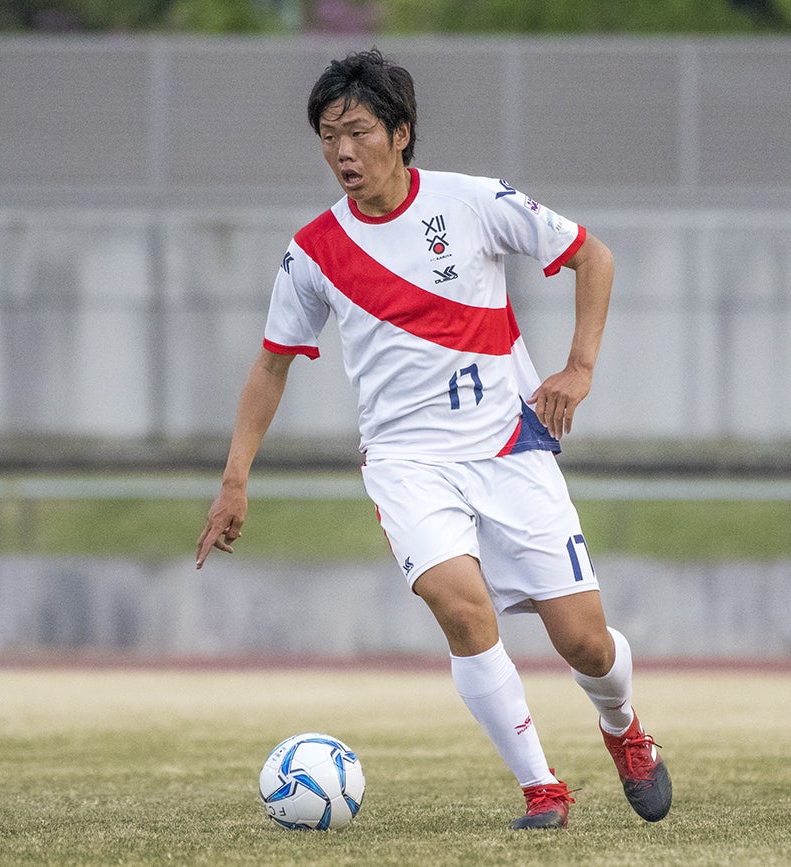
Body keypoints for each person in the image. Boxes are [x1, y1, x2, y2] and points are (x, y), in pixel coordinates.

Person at [195, 48, 670, 830]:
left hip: (509, 447)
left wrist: (579, 368)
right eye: (328, 137)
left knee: (584, 642)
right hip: (407, 463)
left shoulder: (474, 202)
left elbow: (593, 256)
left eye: (357, 132)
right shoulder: (313, 251)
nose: (342, 152)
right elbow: (270, 365)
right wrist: (235, 479)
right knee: (462, 608)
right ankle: (542, 789)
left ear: (401, 132)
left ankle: (624, 728)